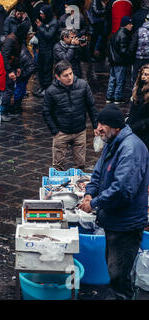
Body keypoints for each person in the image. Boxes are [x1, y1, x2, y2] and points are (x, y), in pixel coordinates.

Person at [79, 104, 149, 300]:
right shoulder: (112, 142)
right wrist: (90, 193)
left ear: (116, 127)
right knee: (112, 271)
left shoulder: (131, 149)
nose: (99, 128)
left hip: (126, 224)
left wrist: (93, 204)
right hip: (112, 220)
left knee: (119, 275)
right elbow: (98, 172)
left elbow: (122, 190)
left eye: (104, 125)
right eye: (99, 123)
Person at [43, 60, 98, 171]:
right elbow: (46, 112)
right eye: (65, 75)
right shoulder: (51, 91)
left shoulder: (83, 85)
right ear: (58, 77)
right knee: (57, 166)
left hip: (80, 131)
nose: (69, 77)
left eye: (71, 73)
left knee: (80, 165)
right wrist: (55, 131)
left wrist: (96, 126)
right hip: (61, 132)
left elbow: (91, 107)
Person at [0, 23, 29, 119]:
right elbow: (4, 56)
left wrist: (18, 67)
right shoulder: (10, 40)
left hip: (12, 67)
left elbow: (16, 55)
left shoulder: (17, 39)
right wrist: (9, 71)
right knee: (8, 90)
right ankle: (2, 113)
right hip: (7, 68)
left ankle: (4, 111)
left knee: (9, 89)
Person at [34, 4, 59, 98]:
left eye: (43, 14)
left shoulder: (54, 22)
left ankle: (46, 88)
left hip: (49, 50)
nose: (41, 15)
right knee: (40, 69)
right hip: (41, 48)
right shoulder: (44, 21)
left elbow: (49, 35)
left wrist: (40, 27)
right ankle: (42, 87)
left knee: (47, 70)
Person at [107, 16, 133, 105]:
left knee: (112, 80)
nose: (132, 26)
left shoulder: (116, 33)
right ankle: (117, 98)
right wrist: (130, 56)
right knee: (120, 81)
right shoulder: (124, 35)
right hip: (120, 62)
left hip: (113, 61)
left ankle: (109, 97)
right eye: (130, 24)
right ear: (126, 25)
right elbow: (123, 51)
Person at [126, 64, 149, 150]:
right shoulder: (137, 90)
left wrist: (141, 124)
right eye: (142, 74)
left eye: (146, 75)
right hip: (134, 129)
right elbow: (133, 110)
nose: (143, 77)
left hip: (145, 131)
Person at [12, 45, 37, 116]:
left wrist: (22, 75)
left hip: (26, 70)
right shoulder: (20, 47)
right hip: (26, 69)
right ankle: (17, 106)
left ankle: (16, 107)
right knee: (21, 88)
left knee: (20, 88)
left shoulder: (17, 50)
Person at [129, 13, 149, 85]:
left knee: (136, 77)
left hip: (139, 58)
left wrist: (131, 56)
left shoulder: (139, 30)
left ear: (145, 20)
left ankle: (135, 94)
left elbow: (133, 45)